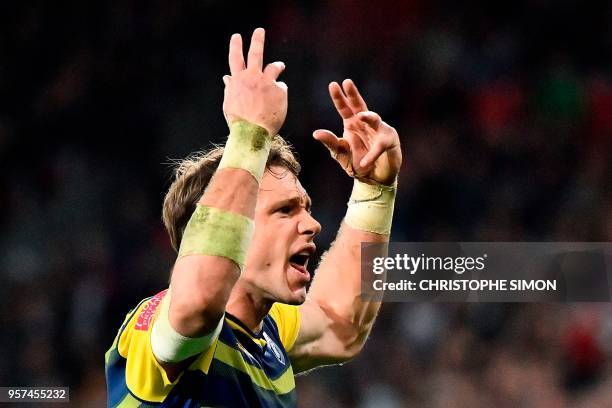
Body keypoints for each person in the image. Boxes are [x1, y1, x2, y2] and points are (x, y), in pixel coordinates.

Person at [105, 27, 401, 407]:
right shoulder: (163, 328)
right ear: (234, 228)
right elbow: (199, 298)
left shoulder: (269, 335)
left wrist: (375, 191)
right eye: (284, 210)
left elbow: (341, 323)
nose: (312, 225)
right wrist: (250, 134)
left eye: (306, 208)